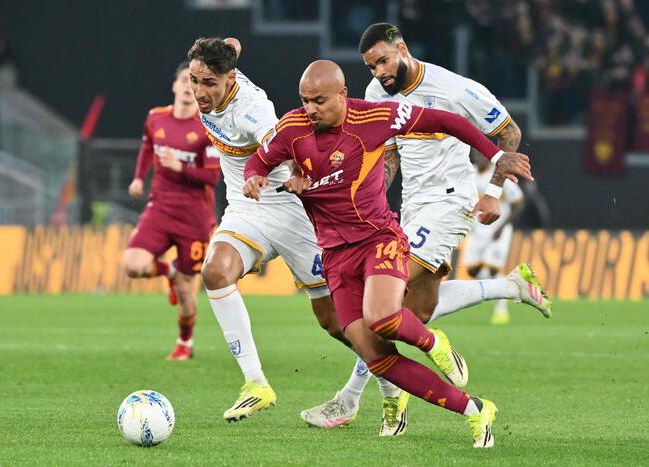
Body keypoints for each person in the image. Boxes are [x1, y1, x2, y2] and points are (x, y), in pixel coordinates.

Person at [243, 60, 533, 447]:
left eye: (319, 101)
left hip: (379, 239)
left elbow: (445, 120)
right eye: (305, 100)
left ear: (343, 95)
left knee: (381, 317)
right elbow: (258, 160)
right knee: (378, 359)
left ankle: (433, 342)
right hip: (335, 257)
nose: (310, 109)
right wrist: (254, 177)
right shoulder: (291, 128)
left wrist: (495, 157)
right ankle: (475, 410)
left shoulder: (375, 117)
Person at [301, 23, 551, 428]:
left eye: (383, 61)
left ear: (402, 48)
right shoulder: (377, 93)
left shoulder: (455, 89)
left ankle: (351, 399)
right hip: (411, 207)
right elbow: (388, 155)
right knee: (417, 309)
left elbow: (510, 133)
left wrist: (493, 192)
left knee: (380, 301)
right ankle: (512, 287)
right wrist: (366, 206)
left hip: (450, 202)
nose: (379, 72)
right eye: (371, 66)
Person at [188, 38, 406, 431]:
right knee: (215, 272)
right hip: (246, 210)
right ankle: (256, 384)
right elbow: (231, 46)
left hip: (291, 213)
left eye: (209, 83)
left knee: (336, 323)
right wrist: (228, 47)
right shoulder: (220, 76)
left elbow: (285, 141)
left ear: (230, 79)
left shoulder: (251, 111)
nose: (200, 92)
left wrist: (297, 174)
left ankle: (391, 384)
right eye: (195, 81)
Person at [124, 62, 221, 361]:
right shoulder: (156, 118)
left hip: (194, 216)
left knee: (186, 291)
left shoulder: (207, 126)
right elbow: (146, 147)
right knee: (133, 265)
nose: (190, 87)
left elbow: (212, 177)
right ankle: (169, 270)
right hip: (160, 207)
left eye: (195, 83)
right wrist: (138, 178)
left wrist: (180, 167)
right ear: (175, 86)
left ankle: (185, 343)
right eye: (185, 80)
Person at [464, 151, 525, 325]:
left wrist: (503, 226)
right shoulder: (469, 172)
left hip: (498, 230)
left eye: (481, 154)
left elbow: (519, 202)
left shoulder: (498, 175)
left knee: (492, 269)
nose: (478, 158)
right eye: (475, 155)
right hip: (478, 231)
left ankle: (501, 311)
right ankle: (508, 285)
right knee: (472, 271)